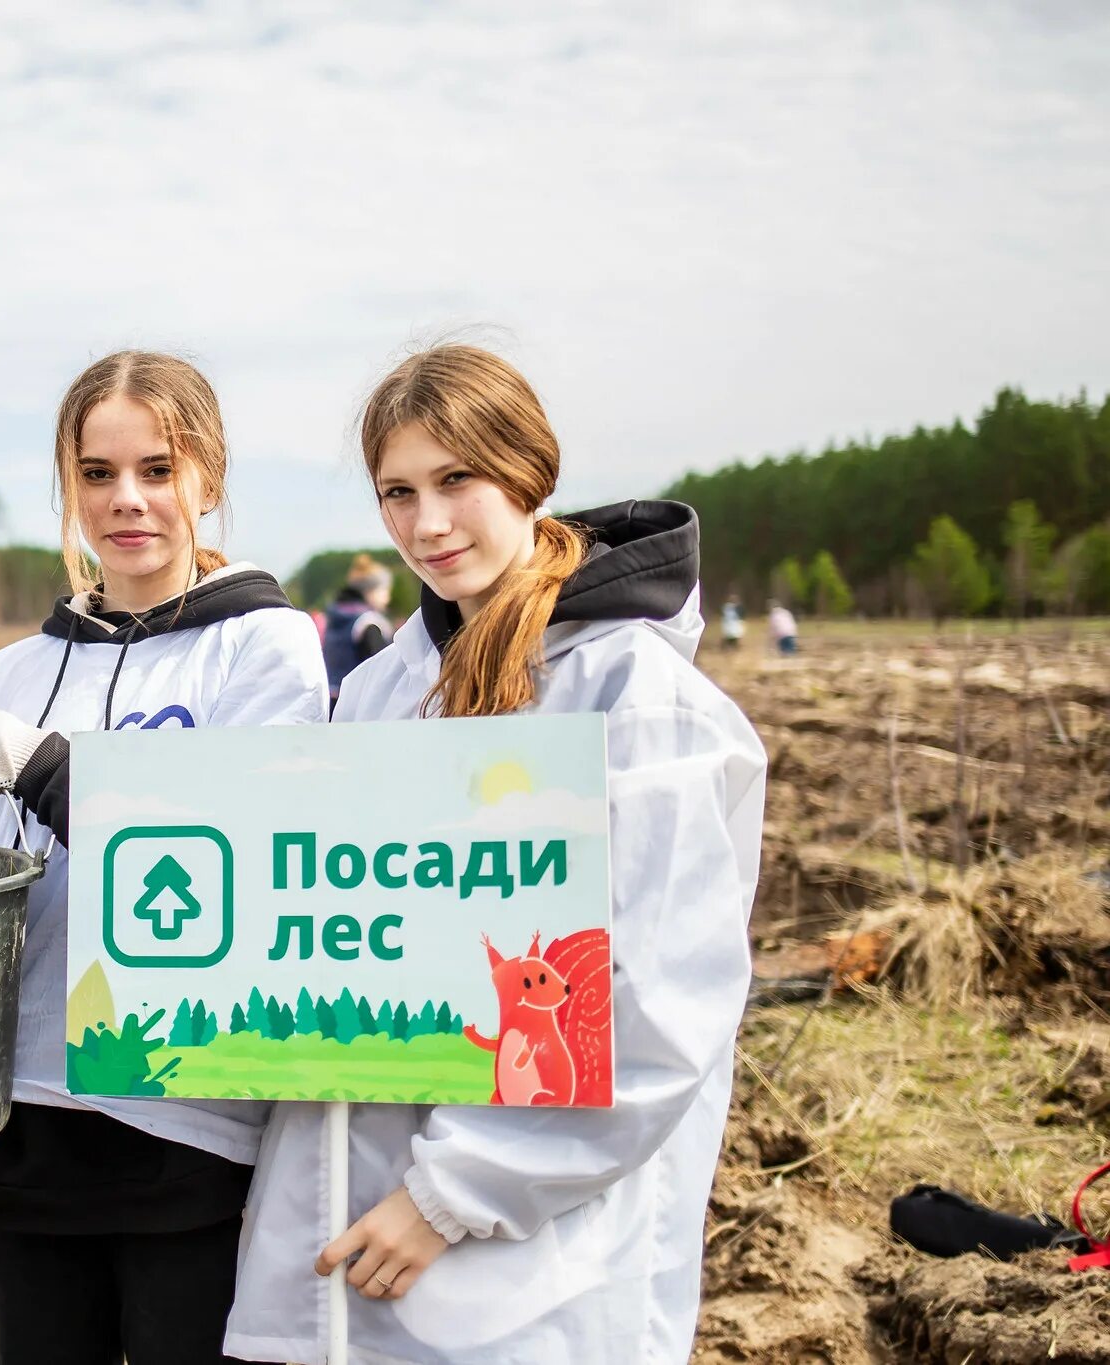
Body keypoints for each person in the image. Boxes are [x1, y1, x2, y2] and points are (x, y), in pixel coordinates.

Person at [226, 345, 766, 1364]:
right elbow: (334, 939)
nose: (425, 525)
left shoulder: (633, 697)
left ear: (528, 474)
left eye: (455, 480)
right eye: (396, 492)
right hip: (351, 1238)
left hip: (540, 1268)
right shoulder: (385, 689)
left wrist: (449, 1196)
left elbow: (659, 1003)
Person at [0, 350, 328, 1365]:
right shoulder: (5, 675)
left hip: (185, 1124)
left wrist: (45, 767)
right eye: (96, 475)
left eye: (157, 468)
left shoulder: (263, 649)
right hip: (23, 1128)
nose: (127, 500)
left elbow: (234, 861)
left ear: (209, 479)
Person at [323, 553, 395, 710]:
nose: (388, 598)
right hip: (359, 704)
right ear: (370, 591)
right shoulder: (368, 623)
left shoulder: (336, 616)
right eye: (385, 590)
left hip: (332, 699)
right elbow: (383, 670)